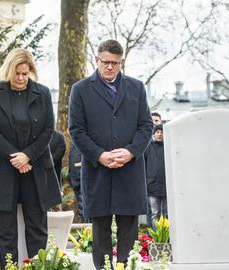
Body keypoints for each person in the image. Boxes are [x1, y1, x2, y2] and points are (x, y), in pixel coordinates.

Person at [68, 40, 153, 269]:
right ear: (97, 60)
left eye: (115, 63)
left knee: (129, 232)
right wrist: (99, 155)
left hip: (130, 170)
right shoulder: (81, 89)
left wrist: (131, 152)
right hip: (98, 171)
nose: (109, 67)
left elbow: (146, 126)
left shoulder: (136, 87)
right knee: (101, 233)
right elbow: (76, 130)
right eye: (105, 62)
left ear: (121, 62)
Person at [0, 48, 62, 269]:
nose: (21, 78)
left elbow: (47, 129)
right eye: (17, 74)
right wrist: (15, 157)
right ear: (8, 71)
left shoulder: (42, 93)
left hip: (35, 166)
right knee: (5, 230)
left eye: (25, 73)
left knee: (37, 227)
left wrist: (27, 156)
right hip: (3, 168)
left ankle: (37, 267)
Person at [145, 125, 167, 228]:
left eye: (162, 132)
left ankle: (166, 236)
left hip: (166, 186)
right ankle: (155, 237)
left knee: (165, 213)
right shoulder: (148, 147)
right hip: (151, 185)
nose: (160, 134)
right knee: (154, 213)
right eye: (157, 132)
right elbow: (143, 165)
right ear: (154, 134)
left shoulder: (168, 147)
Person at [68, 143, 86, 222]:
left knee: (84, 209)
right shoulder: (74, 142)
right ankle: (85, 231)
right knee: (81, 209)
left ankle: (87, 232)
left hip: (84, 179)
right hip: (75, 179)